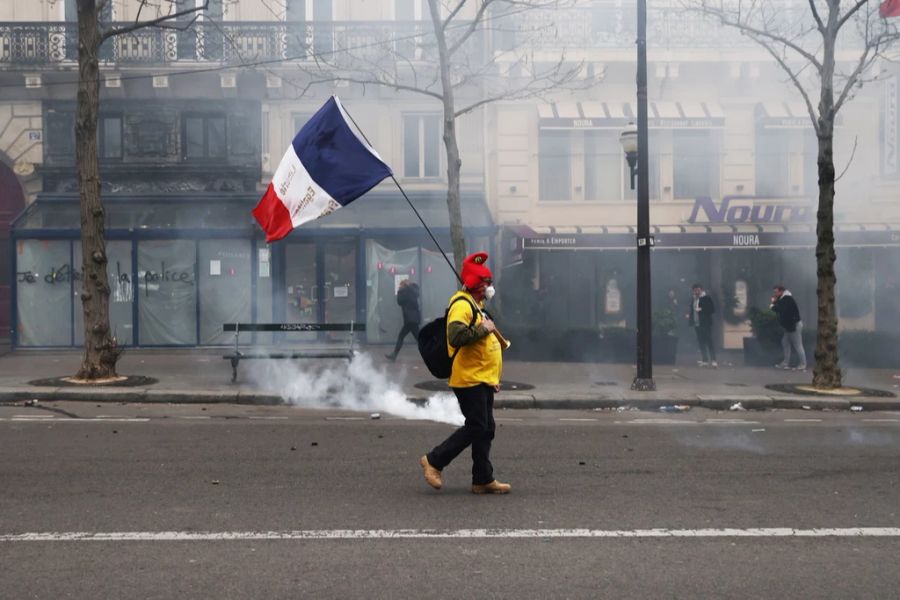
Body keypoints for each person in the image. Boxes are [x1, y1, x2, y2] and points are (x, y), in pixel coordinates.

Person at [420, 252, 510, 495]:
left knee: (487, 428)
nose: (489, 288)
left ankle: (482, 479)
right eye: (485, 283)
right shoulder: (462, 305)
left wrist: (493, 379)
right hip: (468, 379)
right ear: (474, 284)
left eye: (489, 283)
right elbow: (456, 336)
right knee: (477, 426)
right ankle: (434, 461)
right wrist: (483, 329)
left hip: (482, 378)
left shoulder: (476, 305)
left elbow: (484, 349)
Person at [770, 285, 807, 371]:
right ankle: (785, 363)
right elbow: (779, 306)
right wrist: (774, 302)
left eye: (776, 292)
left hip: (794, 325)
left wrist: (772, 306)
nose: (775, 294)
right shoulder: (783, 298)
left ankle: (803, 364)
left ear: (781, 291)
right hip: (790, 325)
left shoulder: (787, 299)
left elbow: (781, 309)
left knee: (798, 345)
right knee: (785, 342)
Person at [385, 279, 420, 361]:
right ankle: (430, 354)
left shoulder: (403, 292)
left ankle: (394, 355)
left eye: (400, 285)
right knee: (418, 339)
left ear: (403, 285)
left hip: (409, 319)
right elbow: (416, 295)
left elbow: (399, 302)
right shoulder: (413, 291)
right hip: (415, 319)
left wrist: (399, 291)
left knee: (401, 336)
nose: (399, 286)